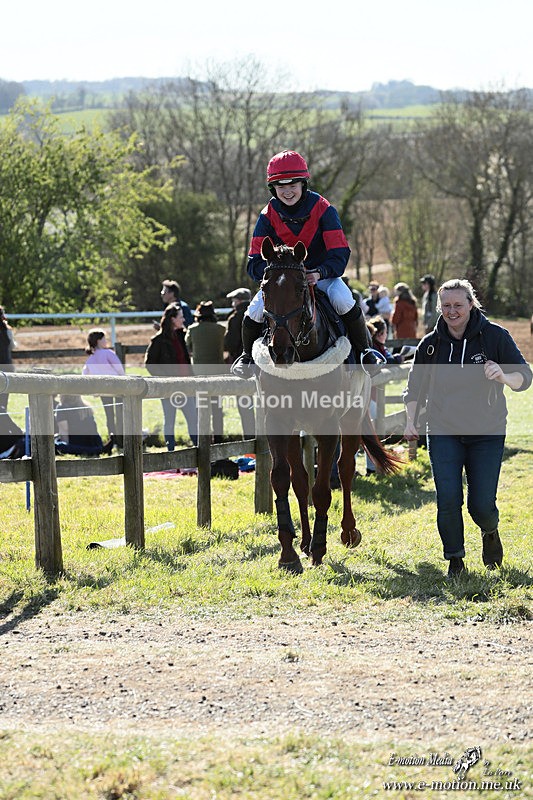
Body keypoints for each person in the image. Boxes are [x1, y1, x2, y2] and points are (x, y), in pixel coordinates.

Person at [403, 279, 532, 577]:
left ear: (471, 304)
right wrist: (410, 420)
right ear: (439, 307)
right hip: (443, 431)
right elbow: (413, 389)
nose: (452, 311)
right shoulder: (431, 345)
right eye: (446, 306)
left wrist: (502, 375)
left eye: (458, 305)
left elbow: (524, 378)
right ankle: (455, 560)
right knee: (448, 498)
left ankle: (490, 531)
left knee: (482, 505)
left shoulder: (495, 337)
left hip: (486, 433)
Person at [231, 149, 377, 376]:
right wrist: (276, 276)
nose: (287, 192)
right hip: (284, 282)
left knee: (343, 299)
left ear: (303, 184)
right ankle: (247, 357)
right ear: (273, 189)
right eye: (281, 187)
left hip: (321, 276)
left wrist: (319, 272)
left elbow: (339, 254)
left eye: (292, 186)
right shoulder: (267, 214)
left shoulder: (324, 209)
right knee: (255, 309)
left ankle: (365, 352)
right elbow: (254, 262)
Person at [144, 303, 198, 451]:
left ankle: (200, 452)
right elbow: (149, 364)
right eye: (181, 317)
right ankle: (170, 452)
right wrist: (166, 380)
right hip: (169, 388)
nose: (183, 320)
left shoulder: (182, 336)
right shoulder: (158, 340)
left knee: (193, 420)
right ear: (173, 319)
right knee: (170, 421)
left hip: (186, 386)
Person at [185, 301, 226, 442]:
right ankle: (219, 437)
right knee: (217, 410)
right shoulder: (220, 329)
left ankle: (204, 438)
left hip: (199, 375)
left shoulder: (192, 329)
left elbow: (187, 346)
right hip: (218, 374)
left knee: (201, 408)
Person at [82, 329, 125, 445]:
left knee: (109, 414)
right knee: (120, 412)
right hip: (116, 386)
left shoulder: (90, 359)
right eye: (104, 339)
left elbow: (85, 375)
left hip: (102, 389)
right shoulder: (108, 354)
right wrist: (124, 379)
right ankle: (122, 438)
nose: (106, 341)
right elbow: (119, 368)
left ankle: (112, 437)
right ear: (98, 341)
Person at [224, 288, 255, 438]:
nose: (232, 303)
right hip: (262, 366)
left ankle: (250, 446)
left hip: (243, 367)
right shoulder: (258, 313)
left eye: (234, 300)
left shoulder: (235, 318)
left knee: (245, 408)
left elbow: (229, 344)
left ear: (239, 301)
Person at [0, 306, 16, 412]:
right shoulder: (7, 329)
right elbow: (12, 346)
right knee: (3, 405)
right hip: (7, 367)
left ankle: (15, 429)